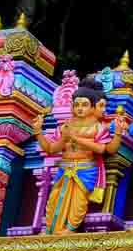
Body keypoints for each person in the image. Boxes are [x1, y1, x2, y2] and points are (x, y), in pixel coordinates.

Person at [41, 77, 115, 234]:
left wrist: (75, 138)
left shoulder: (97, 127)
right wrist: (37, 132)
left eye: (85, 105)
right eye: (77, 105)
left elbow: (102, 149)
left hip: (85, 168)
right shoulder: (65, 126)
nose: (80, 108)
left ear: (93, 107)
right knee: (54, 198)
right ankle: (51, 229)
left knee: (79, 201)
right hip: (64, 168)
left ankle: (70, 228)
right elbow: (51, 149)